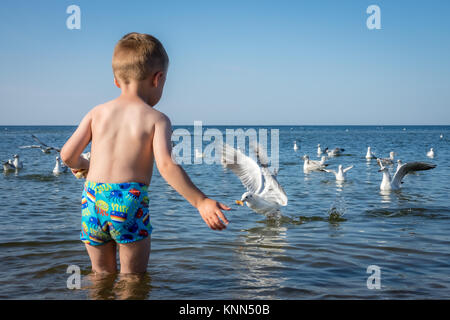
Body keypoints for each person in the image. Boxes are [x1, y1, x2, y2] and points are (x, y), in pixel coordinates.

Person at [60, 32, 230, 274]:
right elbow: (167, 166)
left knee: (101, 275)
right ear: (158, 79)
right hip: (128, 201)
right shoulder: (156, 119)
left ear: (116, 81)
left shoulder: (97, 112)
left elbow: (67, 156)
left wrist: (84, 165)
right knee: (133, 279)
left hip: (92, 200)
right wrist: (200, 201)